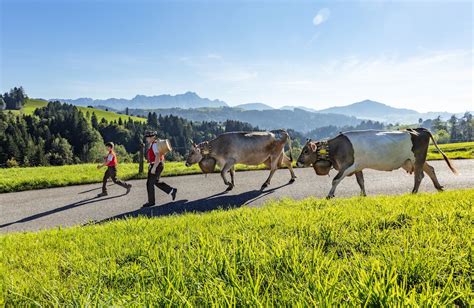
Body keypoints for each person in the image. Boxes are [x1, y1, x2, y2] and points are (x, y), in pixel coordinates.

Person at [142, 131, 177, 207]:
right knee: (155, 182)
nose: (147, 139)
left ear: (152, 137)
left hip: (156, 165)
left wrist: (154, 168)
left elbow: (157, 156)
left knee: (149, 183)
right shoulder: (153, 144)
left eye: (148, 137)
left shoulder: (154, 145)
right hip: (157, 165)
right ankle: (172, 190)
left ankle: (151, 202)